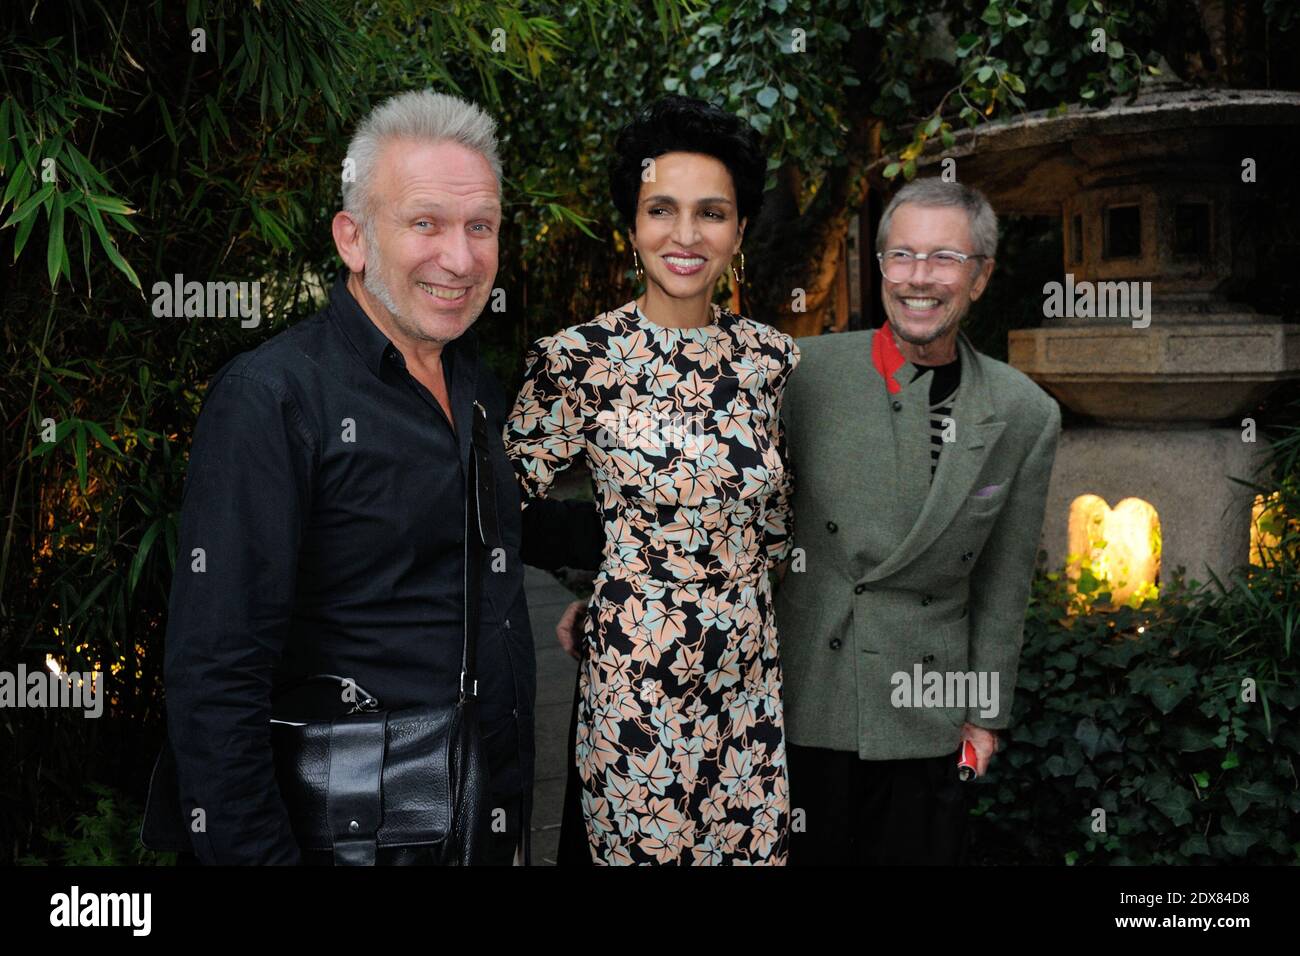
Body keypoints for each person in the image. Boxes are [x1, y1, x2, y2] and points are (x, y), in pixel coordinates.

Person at [163, 90, 582, 865]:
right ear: (353, 239)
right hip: (346, 839)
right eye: (425, 223)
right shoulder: (273, 400)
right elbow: (214, 679)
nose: (460, 258)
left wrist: (648, 566)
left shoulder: (477, 387)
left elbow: (507, 523)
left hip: (485, 814)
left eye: (479, 226)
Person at [505, 96, 799, 865]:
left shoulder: (768, 360)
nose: (686, 234)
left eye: (712, 212)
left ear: (738, 230)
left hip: (749, 682)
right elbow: (505, 505)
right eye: (660, 210)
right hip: (637, 681)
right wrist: (599, 577)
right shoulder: (578, 359)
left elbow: (775, 520)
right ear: (630, 227)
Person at [773, 177, 1061, 865]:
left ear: (982, 276)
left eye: (944, 259)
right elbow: (727, 510)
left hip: (928, 709)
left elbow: (1003, 579)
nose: (919, 278)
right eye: (901, 256)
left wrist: (985, 717)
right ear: (880, 270)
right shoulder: (802, 373)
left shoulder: (1024, 413)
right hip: (804, 692)